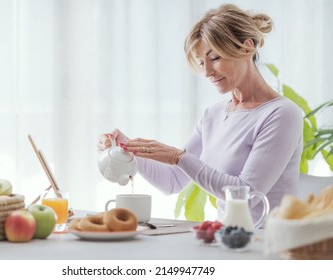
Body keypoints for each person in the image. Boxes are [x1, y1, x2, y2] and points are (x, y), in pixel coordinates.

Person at [97, 4, 303, 225]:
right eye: (201, 62)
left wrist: (178, 157)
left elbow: (246, 195)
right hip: (227, 239)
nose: (206, 72)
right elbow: (172, 181)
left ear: (246, 48)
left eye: (214, 58)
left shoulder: (282, 114)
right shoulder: (212, 115)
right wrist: (128, 147)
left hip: (267, 244)